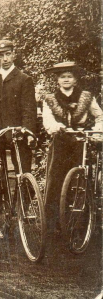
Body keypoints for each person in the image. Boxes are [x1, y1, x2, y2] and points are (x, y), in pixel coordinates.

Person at [0, 39, 37, 246]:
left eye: (8, 54)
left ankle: (22, 208)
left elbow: (29, 109)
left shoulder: (24, 79)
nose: (4, 59)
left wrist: (29, 132)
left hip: (17, 131)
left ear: (14, 55)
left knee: (24, 171)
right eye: (0, 55)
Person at [42, 61, 103, 238]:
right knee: (55, 180)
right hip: (60, 142)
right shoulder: (50, 99)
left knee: (80, 180)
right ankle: (53, 224)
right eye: (62, 77)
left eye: (69, 76)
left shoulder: (86, 97)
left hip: (79, 142)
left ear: (75, 79)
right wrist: (55, 126)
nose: (66, 80)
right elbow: (48, 119)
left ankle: (79, 224)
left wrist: (96, 131)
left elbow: (99, 116)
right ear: (57, 81)